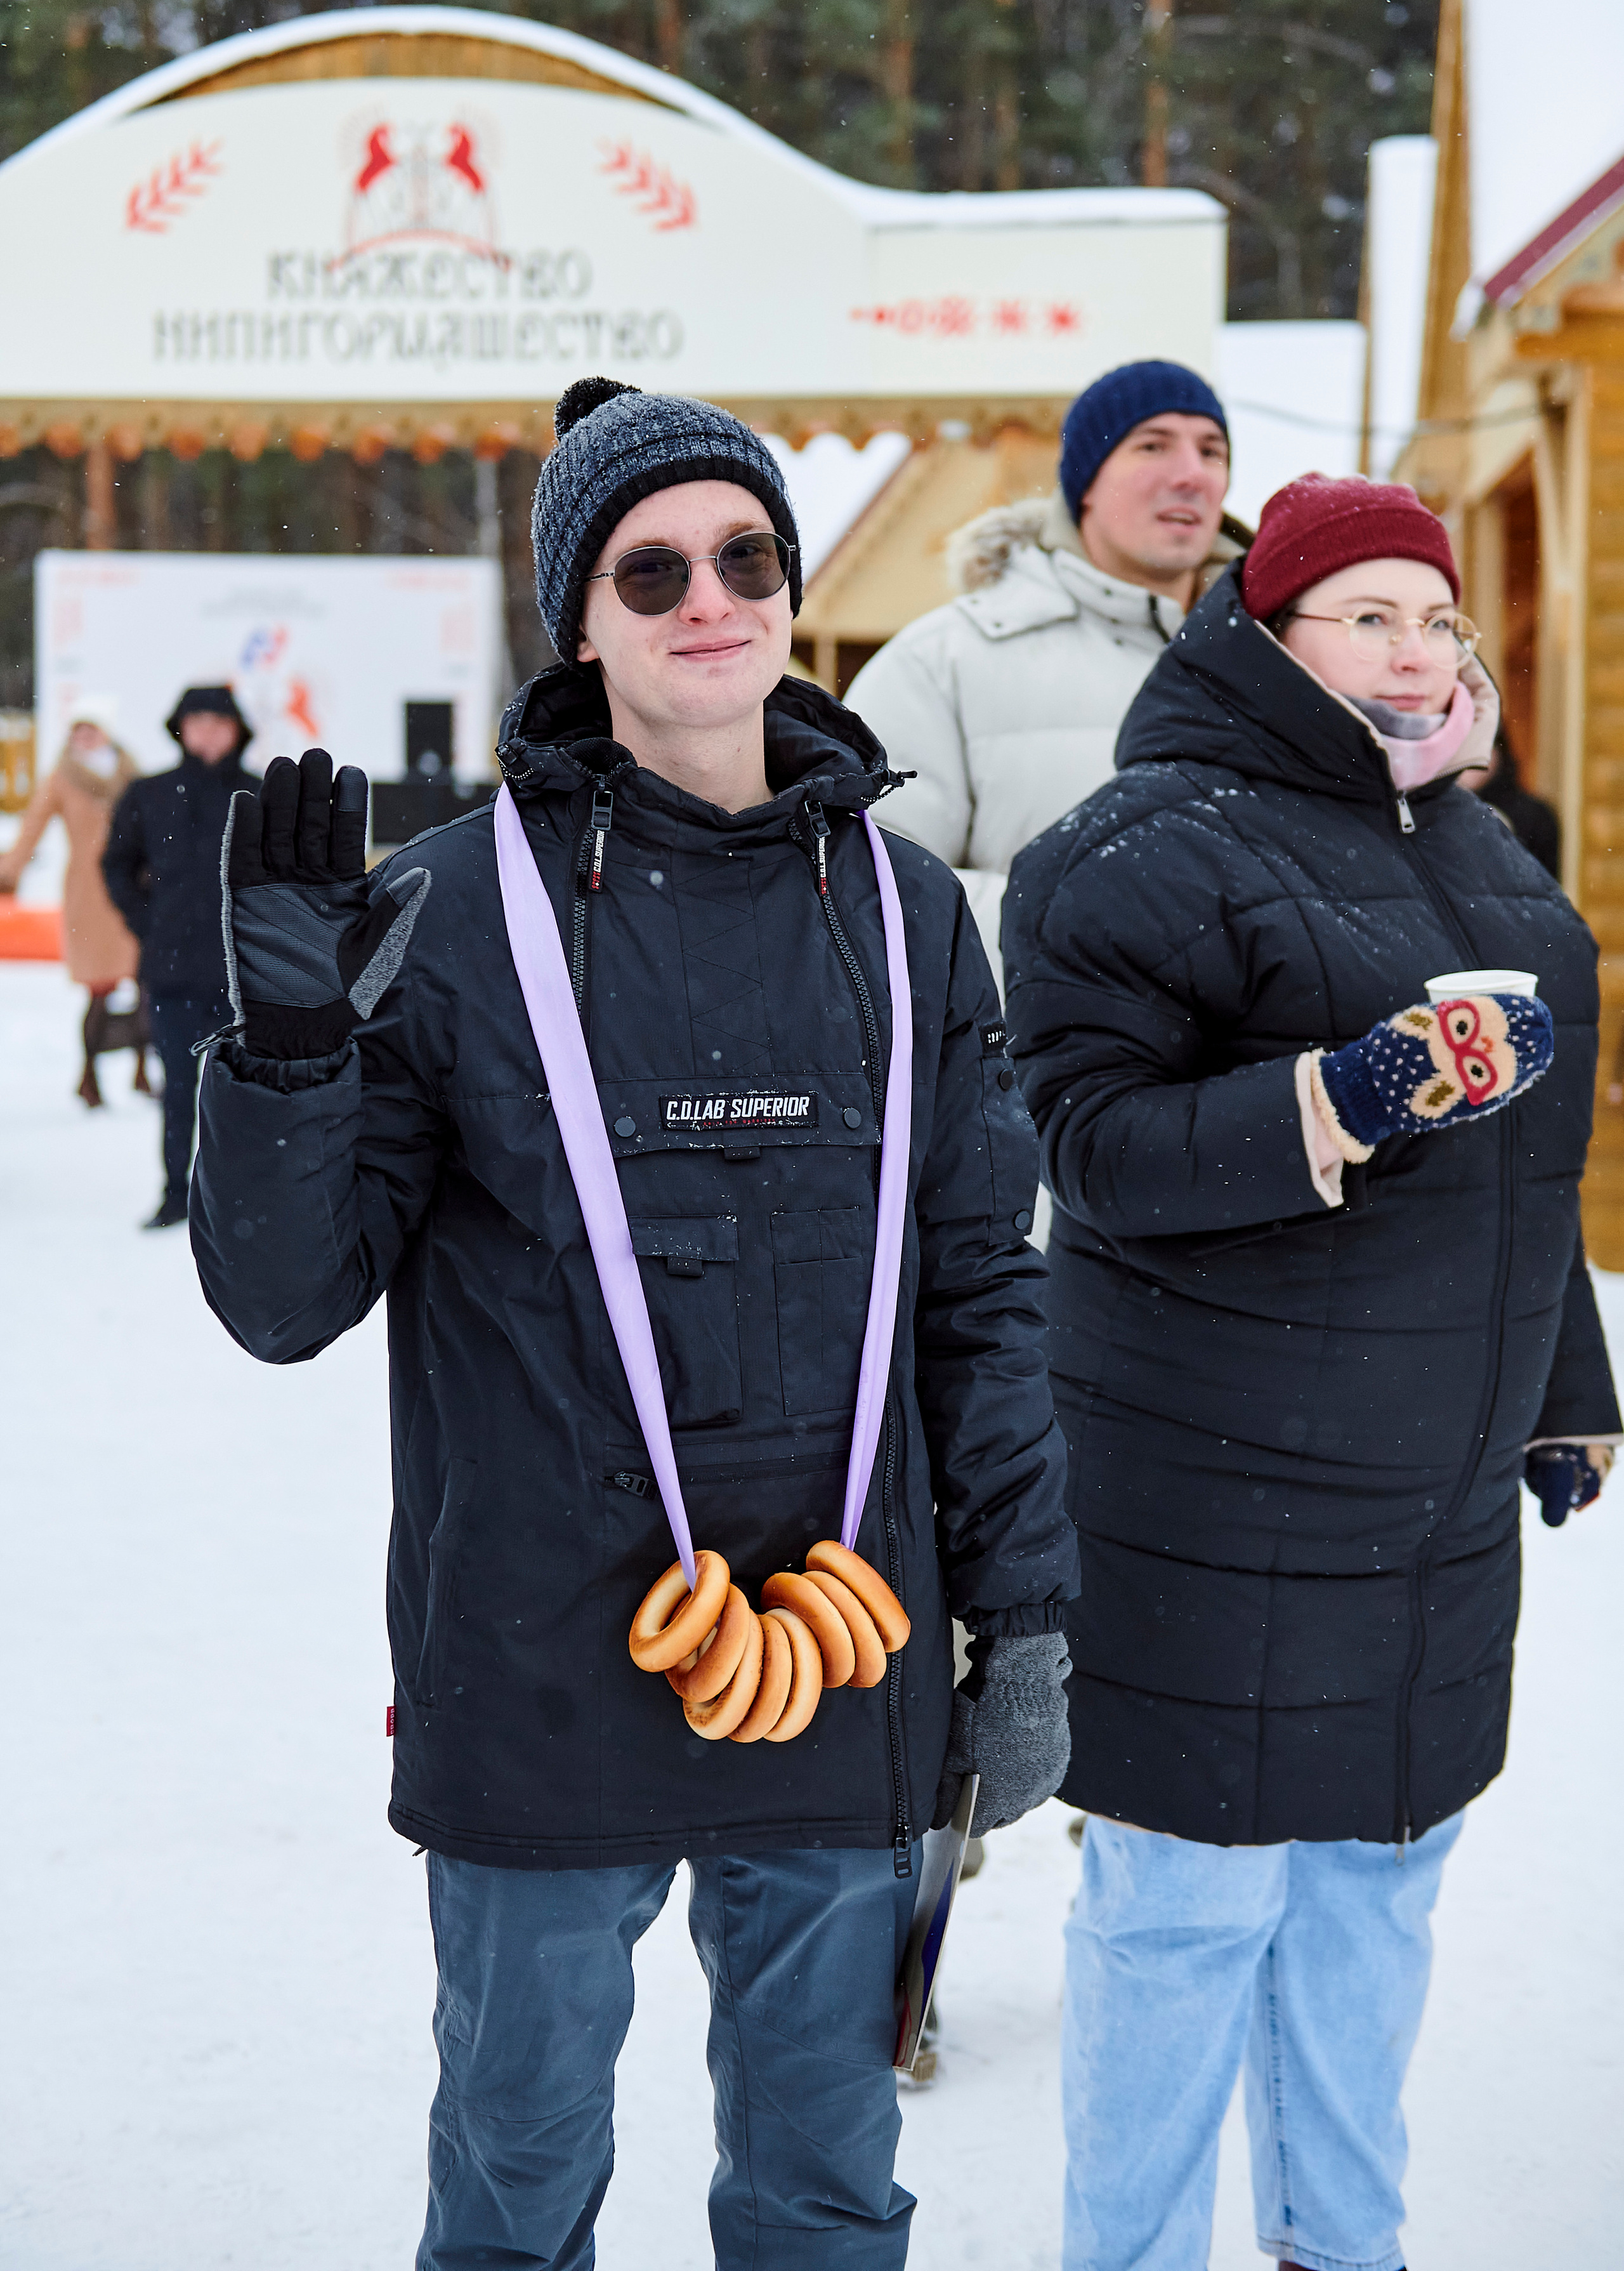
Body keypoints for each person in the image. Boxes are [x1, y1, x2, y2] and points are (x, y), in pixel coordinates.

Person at [188, 376, 1078, 2270]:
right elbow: (284, 1300)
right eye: (648, 564)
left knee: (827, 2191)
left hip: (848, 1660)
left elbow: (980, 1293)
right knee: (512, 2194)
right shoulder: (441, 911)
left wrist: (1029, 1612)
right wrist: (283, 1051)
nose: (707, 594)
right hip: (536, 1670)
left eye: (745, 553)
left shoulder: (907, 912)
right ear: (577, 621)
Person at [1002, 472, 1619, 2271]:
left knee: (1379, 1900)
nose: (1419, 649)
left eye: (1437, 618)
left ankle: (1343, 2246)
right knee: (1185, 1911)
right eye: (1372, 615)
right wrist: (1336, 1101)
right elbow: (1092, 1143)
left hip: (1429, 1511)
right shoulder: (1137, 846)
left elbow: (1526, 1159)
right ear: (1267, 633)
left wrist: (1566, 1379)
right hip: (1216, 1493)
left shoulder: (1476, 845)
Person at [846, 359, 1236, 978]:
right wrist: (1089, 944)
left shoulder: (1279, 663)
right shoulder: (943, 661)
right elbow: (872, 891)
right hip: (1033, 1068)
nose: (1191, 475)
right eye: (1152, 446)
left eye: (1212, 452)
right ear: (1084, 481)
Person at [103, 685, 255, 1228]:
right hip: (171, 974)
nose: (208, 732)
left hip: (244, 978)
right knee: (178, 1089)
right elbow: (116, 864)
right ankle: (175, 1191)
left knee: (241, 1094)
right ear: (181, 728)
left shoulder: (258, 796)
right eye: (198, 722)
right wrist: (149, 923)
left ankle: (237, 1200)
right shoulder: (150, 794)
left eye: (219, 722)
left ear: (237, 729)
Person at [0, 695, 150, 1106]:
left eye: (92, 729)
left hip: (134, 889)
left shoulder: (130, 773)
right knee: (99, 988)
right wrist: (9, 870)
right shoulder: (62, 778)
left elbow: (154, 825)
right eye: (77, 730)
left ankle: (141, 1069)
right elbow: (33, 825)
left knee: (144, 982)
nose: (84, 737)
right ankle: (89, 1075)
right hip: (89, 893)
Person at [1458, 723, 1561, 877]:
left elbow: (1546, 890)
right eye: (1461, 748)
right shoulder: (1423, 813)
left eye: (1480, 746)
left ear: (1499, 751)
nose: (1471, 758)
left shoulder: (1533, 817)